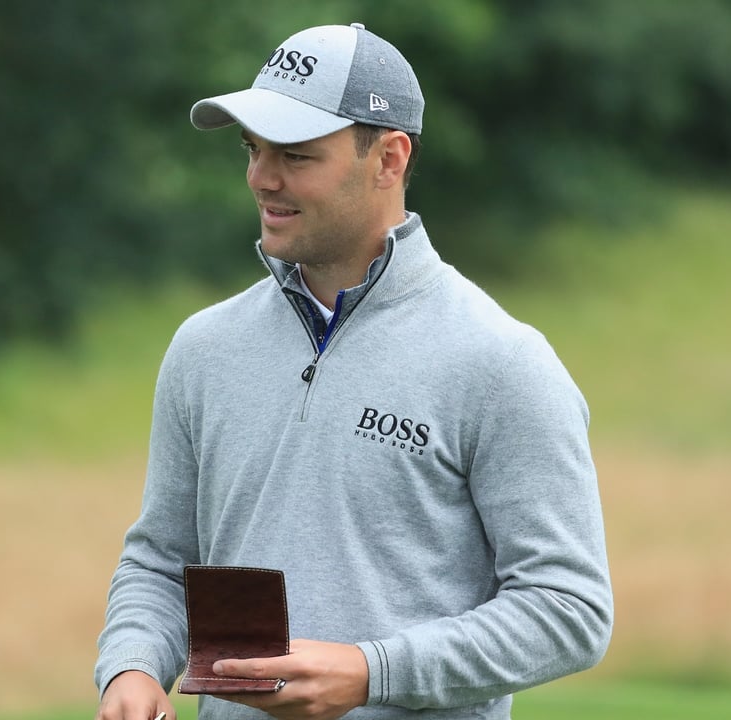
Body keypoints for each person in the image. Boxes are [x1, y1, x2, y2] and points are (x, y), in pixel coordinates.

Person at [94, 22, 613, 720]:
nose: (261, 177)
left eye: (295, 155)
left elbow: (568, 609)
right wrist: (130, 668)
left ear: (390, 158)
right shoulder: (204, 348)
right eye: (252, 149)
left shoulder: (501, 362)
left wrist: (375, 672)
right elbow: (160, 561)